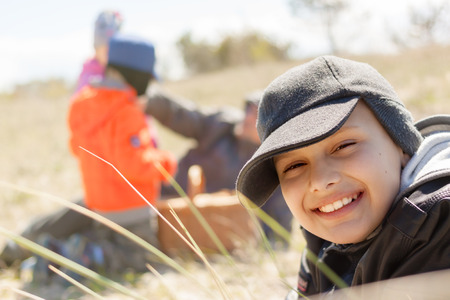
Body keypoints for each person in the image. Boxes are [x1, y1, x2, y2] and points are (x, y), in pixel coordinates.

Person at [235, 55, 450, 297]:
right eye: (294, 166)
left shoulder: (439, 219)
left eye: (344, 146)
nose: (319, 181)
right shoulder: (323, 240)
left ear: (401, 144)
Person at [1, 34, 177, 278]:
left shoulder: (80, 105)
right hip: (131, 210)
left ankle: (59, 252)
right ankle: (81, 254)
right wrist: (166, 162)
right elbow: (133, 164)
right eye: (147, 78)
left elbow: (76, 149)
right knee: (141, 259)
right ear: (134, 75)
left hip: (100, 206)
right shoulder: (128, 112)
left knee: (106, 239)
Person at [145, 88, 293, 246]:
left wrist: (267, 244)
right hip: (163, 204)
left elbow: (278, 225)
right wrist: (150, 99)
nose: (247, 118)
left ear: (272, 133)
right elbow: (183, 115)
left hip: (212, 232)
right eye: (248, 110)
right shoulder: (221, 124)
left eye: (257, 117)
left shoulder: (271, 166)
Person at [74, 10, 123, 93]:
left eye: (112, 49)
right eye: (104, 49)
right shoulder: (89, 73)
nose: (108, 53)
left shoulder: (120, 70)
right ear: (96, 49)